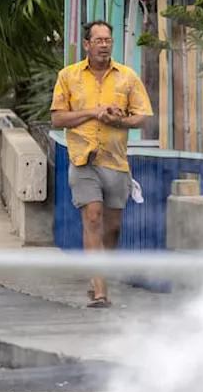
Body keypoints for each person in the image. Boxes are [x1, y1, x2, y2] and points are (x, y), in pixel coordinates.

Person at [50, 20, 154, 308]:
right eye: (98, 40)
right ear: (86, 44)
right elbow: (58, 118)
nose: (104, 44)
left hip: (116, 161)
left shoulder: (127, 77)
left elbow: (143, 116)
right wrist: (95, 113)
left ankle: (101, 272)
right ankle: (100, 290)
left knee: (112, 227)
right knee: (92, 218)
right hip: (83, 160)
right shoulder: (68, 76)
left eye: (108, 40)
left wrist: (117, 120)